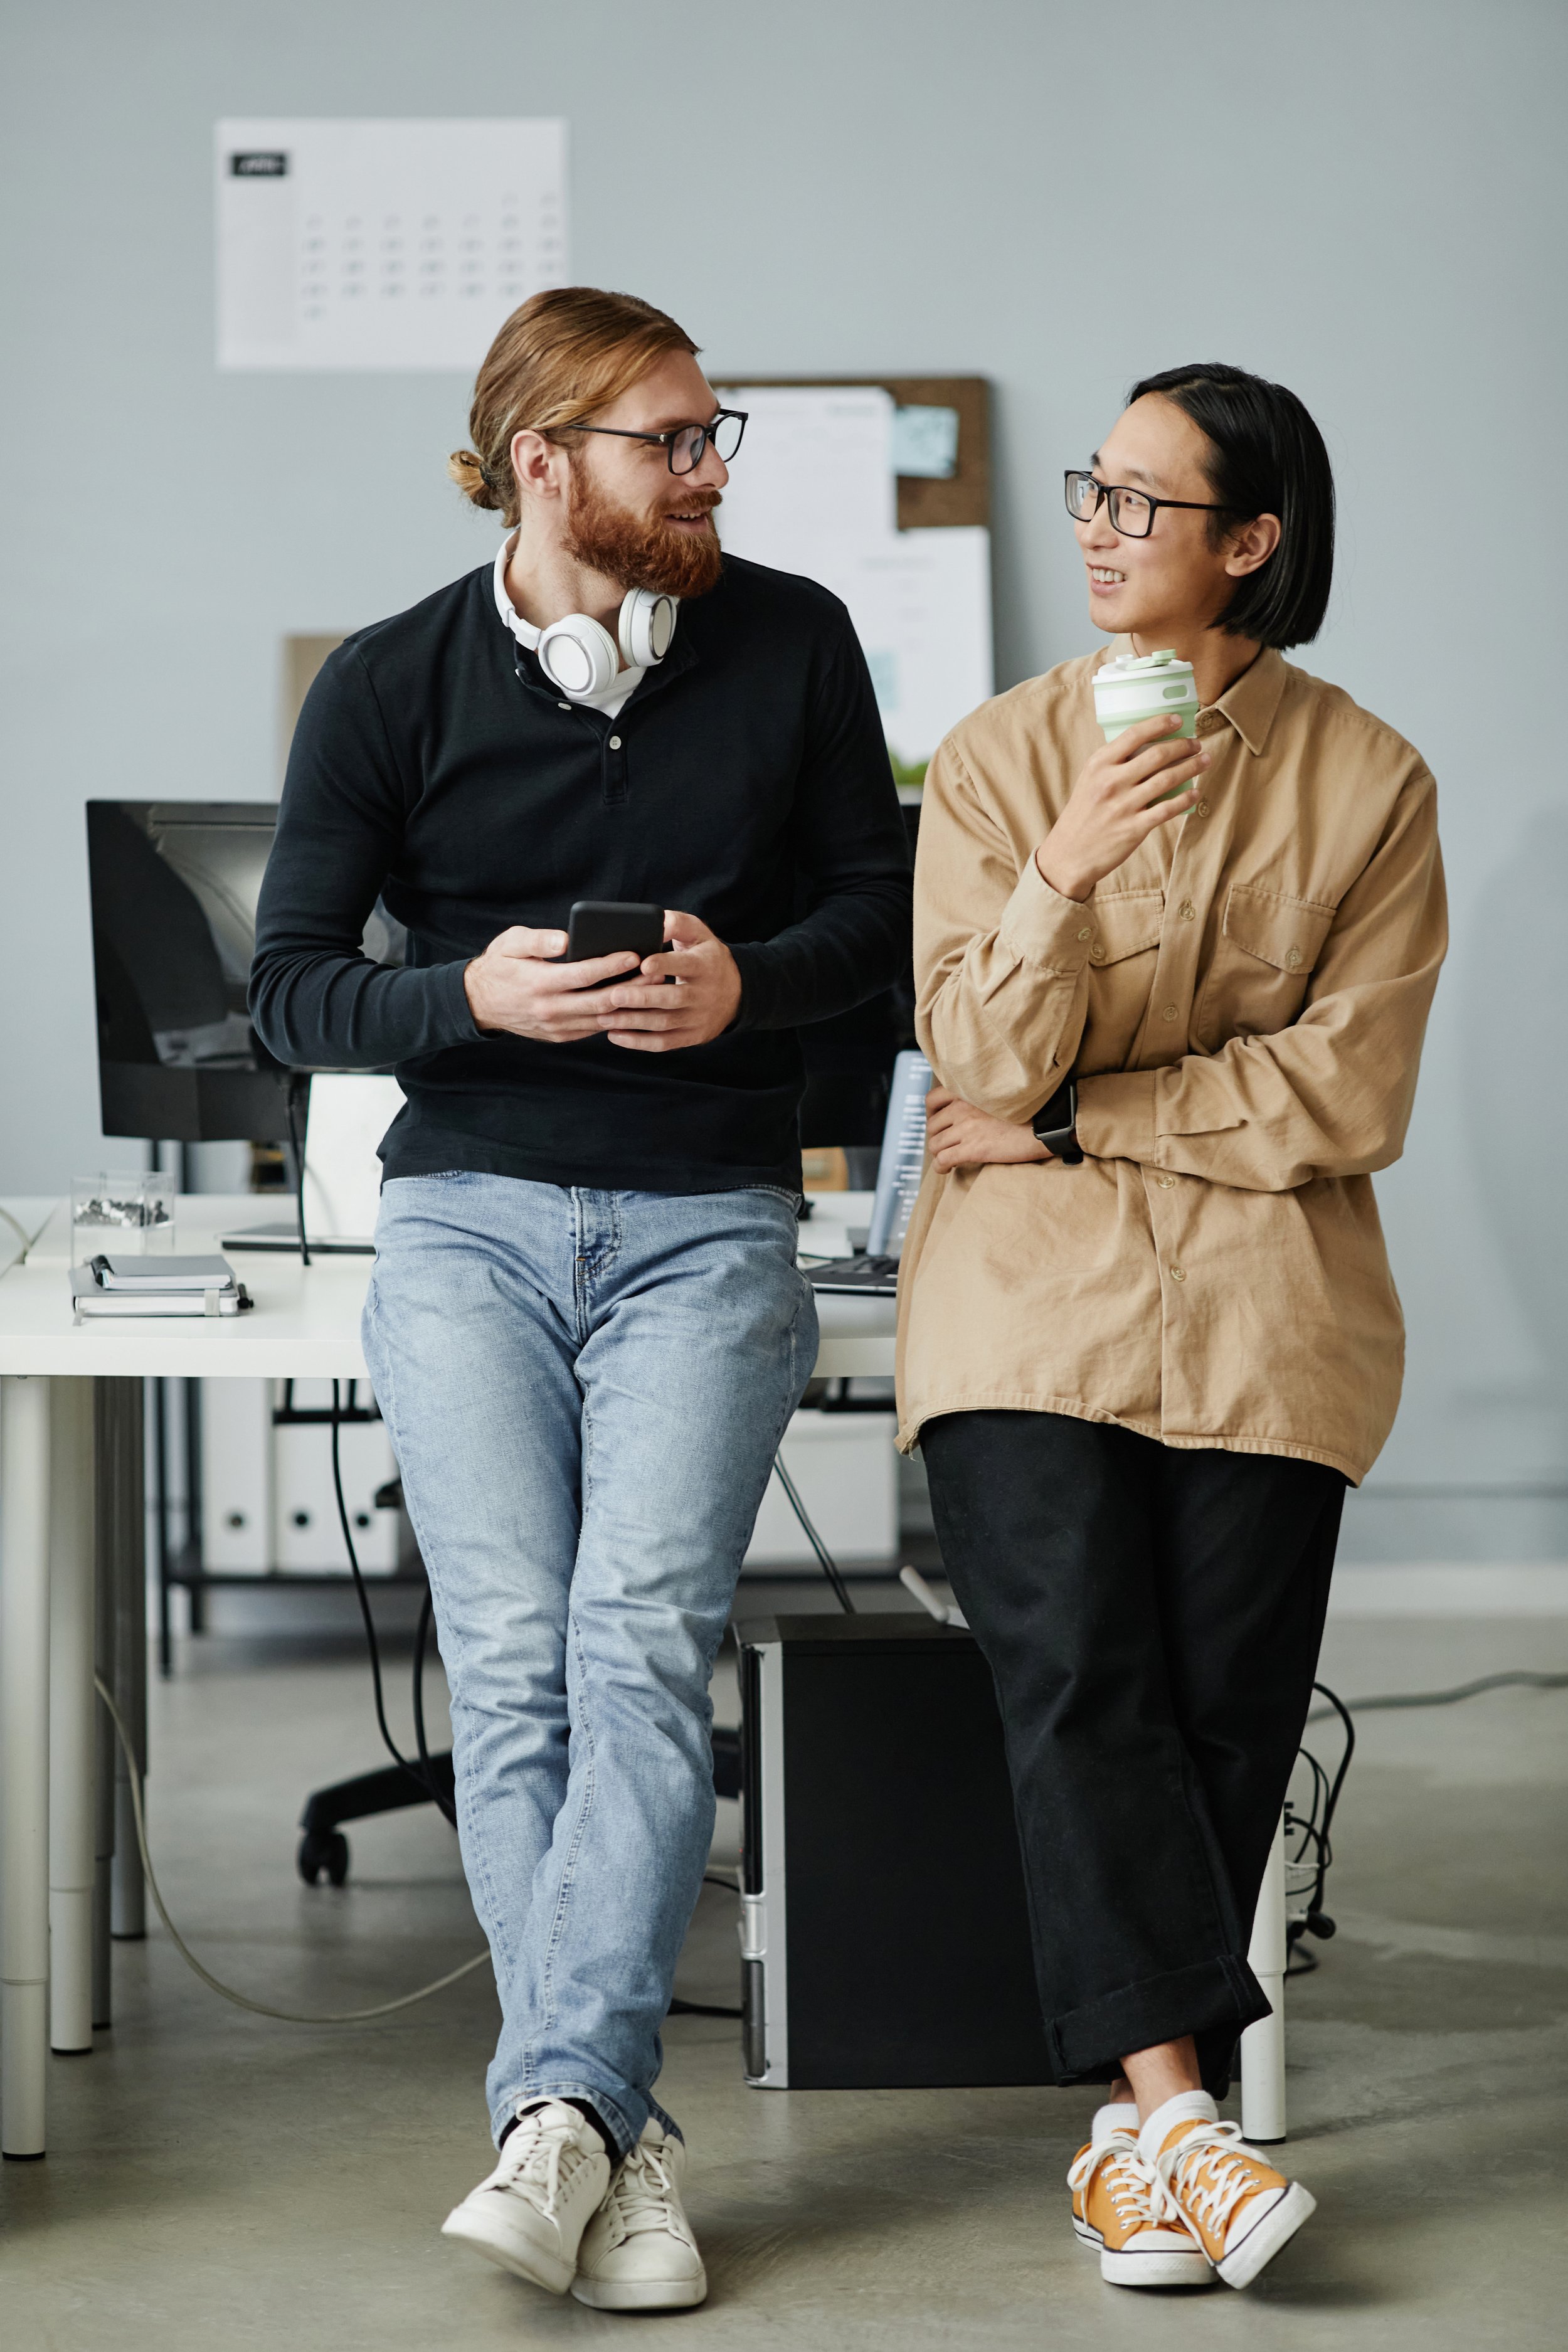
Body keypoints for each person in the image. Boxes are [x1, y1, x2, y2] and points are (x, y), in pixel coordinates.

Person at [250, 285, 909, 2312]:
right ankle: (608, 2139)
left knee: (631, 1649)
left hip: (707, 1213)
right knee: (515, 1669)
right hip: (466, 1222)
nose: (708, 470)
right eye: (671, 439)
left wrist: (752, 983)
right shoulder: (387, 681)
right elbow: (283, 989)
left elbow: (880, 924)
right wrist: (470, 998)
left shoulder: (790, 641)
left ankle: (554, 2116)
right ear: (542, 462)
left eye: (715, 440)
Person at [896, 364, 1445, 2290]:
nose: (1099, 528)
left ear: (1250, 539)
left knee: (1225, 1714)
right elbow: (967, 1048)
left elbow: (1344, 1096)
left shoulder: (1369, 781)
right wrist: (1063, 866)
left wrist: (1077, 1116)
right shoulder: (992, 760)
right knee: (1075, 1687)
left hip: (1266, 1322)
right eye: (1092, 491)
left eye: (1144, 501)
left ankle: (1135, 2154)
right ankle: (1191, 2118)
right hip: (1020, 1308)